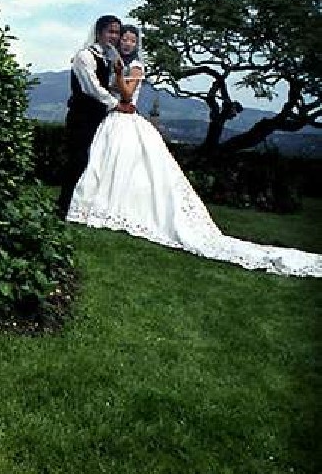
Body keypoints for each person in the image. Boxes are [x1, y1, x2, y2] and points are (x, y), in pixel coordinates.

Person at [65, 24, 322, 277]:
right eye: (124, 39)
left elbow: (128, 93)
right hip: (114, 119)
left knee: (128, 167)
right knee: (108, 165)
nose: (126, 43)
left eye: (131, 40)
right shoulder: (115, 62)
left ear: (137, 43)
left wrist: (119, 76)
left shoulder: (135, 66)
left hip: (126, 116)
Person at [56, 15, 136, 219]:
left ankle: (79, 207)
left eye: (117, 32)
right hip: (82, 115)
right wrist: (116, 104)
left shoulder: (108, 58)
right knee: (77, 159)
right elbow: (91, 87)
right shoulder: (85, 56)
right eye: (110, 31)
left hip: (99, 116)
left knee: (93, 162)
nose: (114, 36)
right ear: (99, 32)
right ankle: (63, 206)